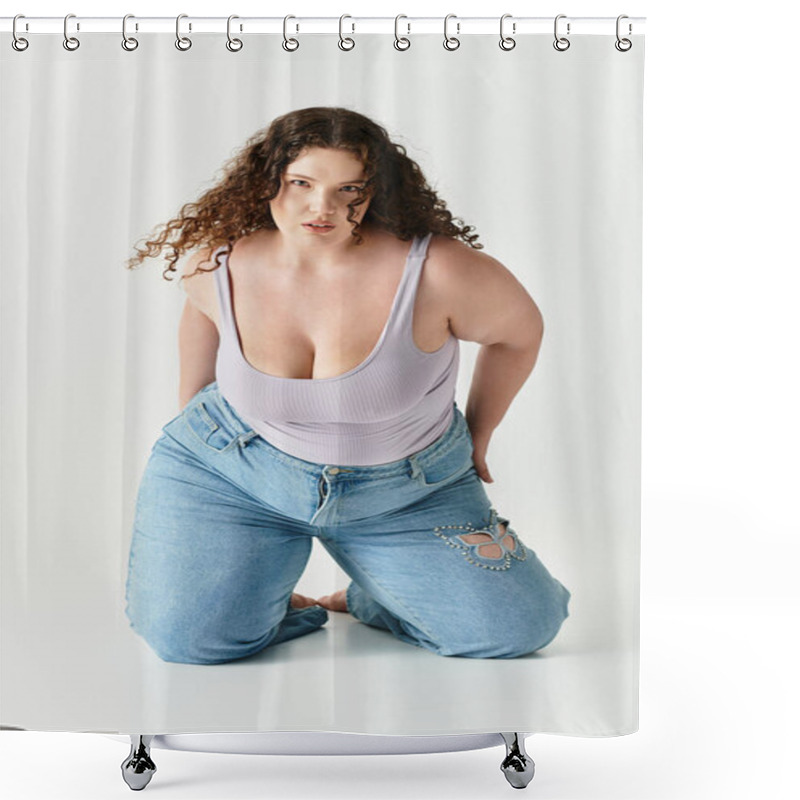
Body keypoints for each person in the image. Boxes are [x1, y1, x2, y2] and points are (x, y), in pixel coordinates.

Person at [123, 106, 570, 665]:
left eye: (348, 189)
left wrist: (480, 433)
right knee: (191, 641)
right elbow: (201, 314)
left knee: (519, 629)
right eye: (301, 184)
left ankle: (378, 596)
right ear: (268, 182)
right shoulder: (218, 262)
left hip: (408, 491)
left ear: (374, 191)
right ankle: (261, 598)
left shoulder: (438, 272)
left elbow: (520, 334)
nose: (322, 207)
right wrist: (194, 419)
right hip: (231, 474)